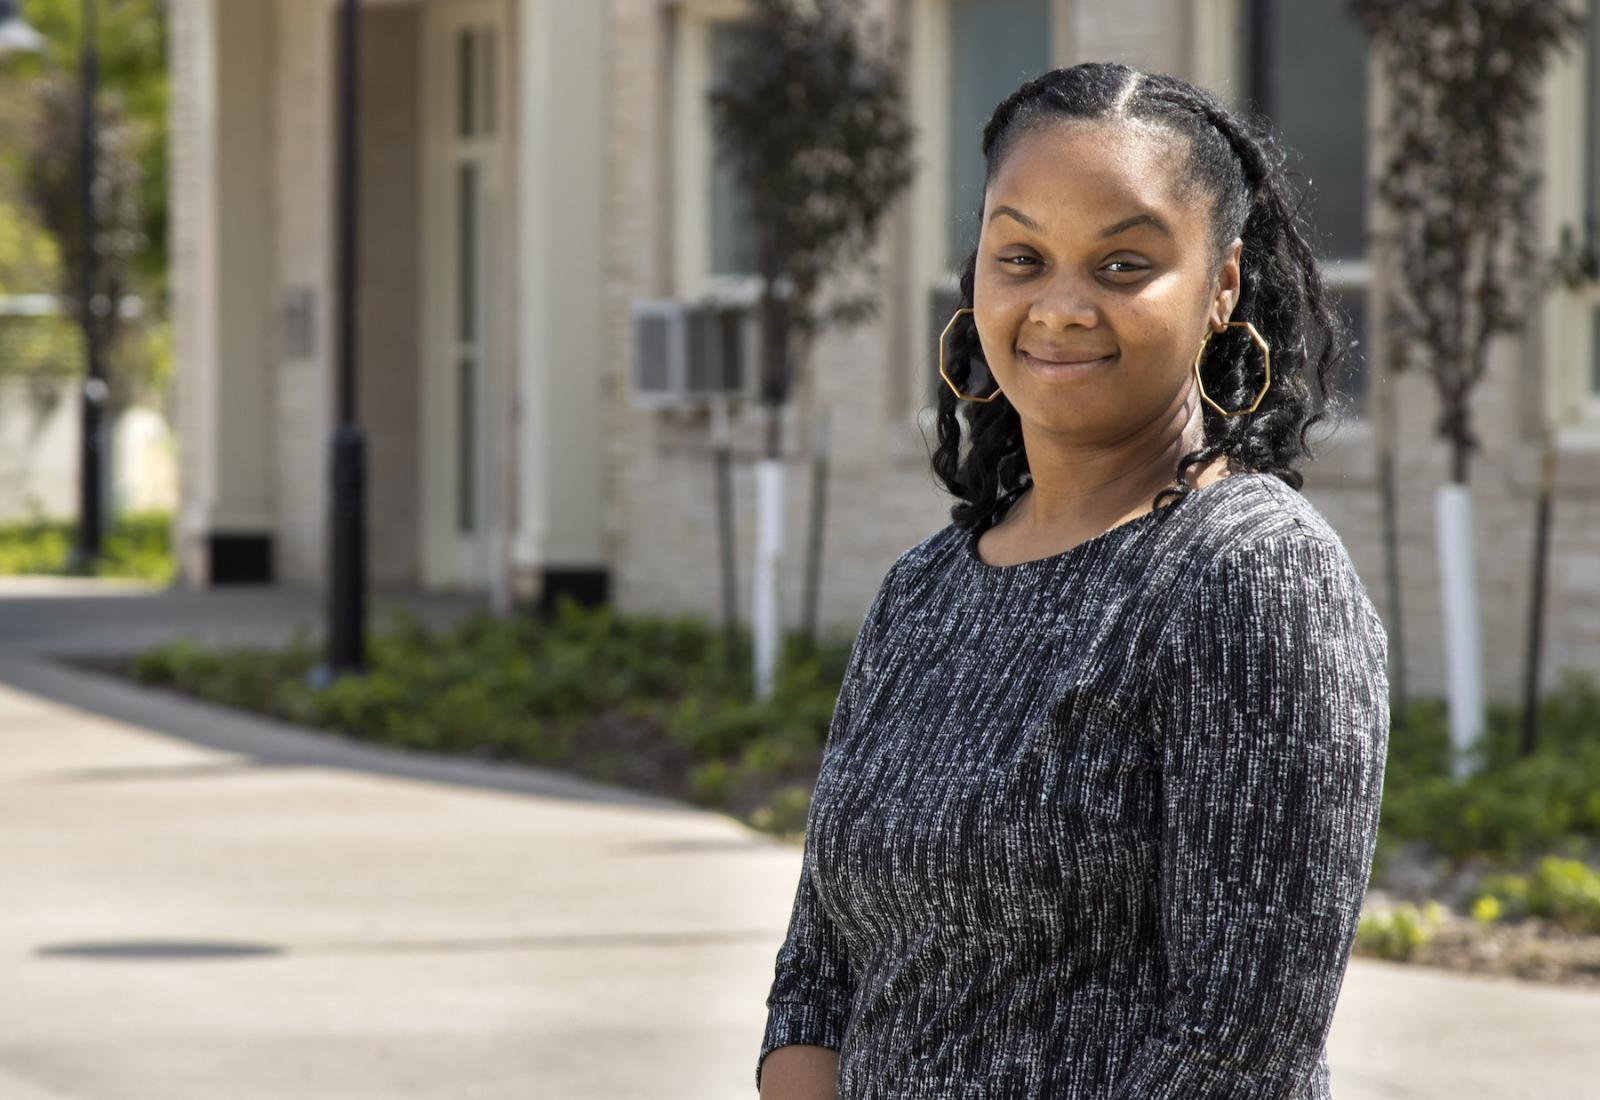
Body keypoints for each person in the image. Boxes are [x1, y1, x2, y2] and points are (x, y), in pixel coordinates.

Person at [754, 61, 1390, 1099]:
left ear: (1221, 285)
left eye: (1122, 264)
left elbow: (1235, 1051)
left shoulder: (1254, 578)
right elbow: (816, 981)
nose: (1059, 306)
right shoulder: (924, 590)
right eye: (1021, 255)